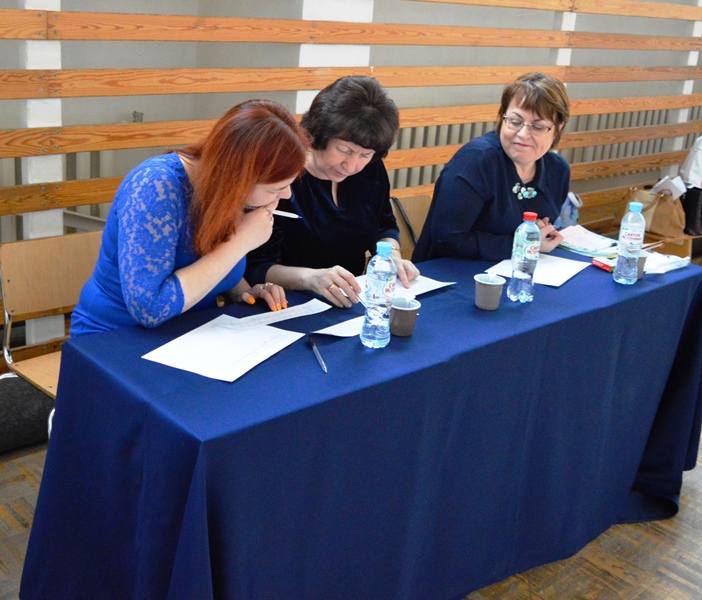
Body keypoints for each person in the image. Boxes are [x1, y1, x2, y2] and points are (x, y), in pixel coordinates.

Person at [70, 99, 310, 337]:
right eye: (276, 188)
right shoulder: (154, 187)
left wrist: (244, 293)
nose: (286, 195)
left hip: (193, 332)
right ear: (238, 178)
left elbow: (207, 263)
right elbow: (150, 309)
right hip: (114, 334)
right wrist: (240, 243)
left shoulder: (230, 195)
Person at [244, 76, 420, 308]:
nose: (352, 166)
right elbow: (257, 266)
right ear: (320, 134)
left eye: (365, 155)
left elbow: (384, 225)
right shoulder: (283, 176)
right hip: (287, 303)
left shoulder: (371, 170)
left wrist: (392, 257)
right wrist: (312, 278)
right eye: (344, 150)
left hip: (350, 298)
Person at [413, 72, 569, 262]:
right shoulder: (476, 161)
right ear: (502, 118)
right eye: (515, 122)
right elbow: (447, 239)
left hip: (518, 268)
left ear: (558, 128)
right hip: (451, 270)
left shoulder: (558, 170)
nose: (522, 134)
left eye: (537, 127)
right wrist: (522, 245)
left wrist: (541, 235)